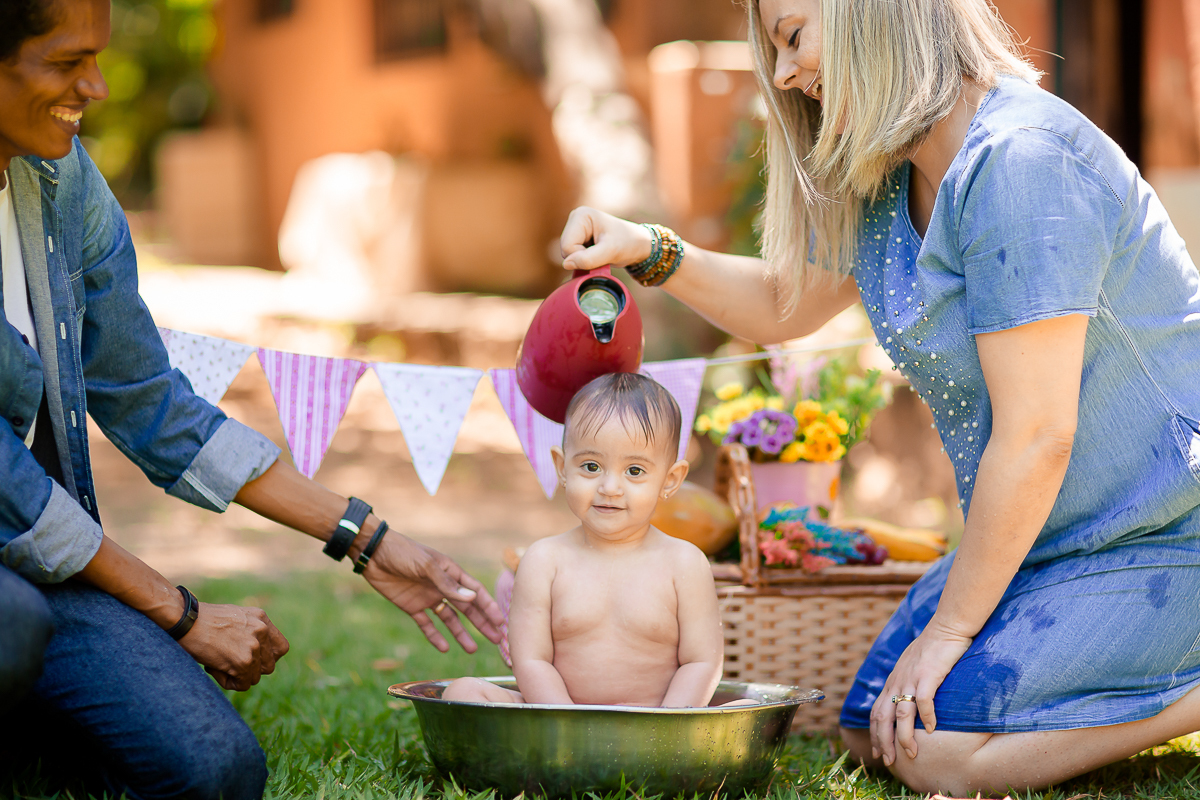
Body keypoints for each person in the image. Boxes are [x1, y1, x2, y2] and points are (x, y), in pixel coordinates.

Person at [558, 0, 1200, 794]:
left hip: (1171, 526)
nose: (786, 73)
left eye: (793, 37)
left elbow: (1038, 435)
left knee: (935, 750)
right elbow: (781, 305)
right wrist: (648, 249)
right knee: (870, 723)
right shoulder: (889, 176)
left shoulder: (1023, 158)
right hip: (1057, 537)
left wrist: (949, 634)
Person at [0, 2, 504, 798]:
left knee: (217, 770)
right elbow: (13, 492)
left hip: (45, 573)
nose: (94, 87)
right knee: (13, 629)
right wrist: (183, 616)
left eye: (97, 59)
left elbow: (148, 399)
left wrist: (366, 536)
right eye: (66, 64)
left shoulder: (63, 182)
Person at [444, 372, 725, 707]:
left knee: (741, 713)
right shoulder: (545, 561)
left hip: (655, 724)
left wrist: (667, 729)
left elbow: (702, 662)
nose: (609, 487)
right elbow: (531, 661)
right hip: (558, 719)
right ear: (562, 468)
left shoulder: (684, 563)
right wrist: (567, 726)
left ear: (670, 480)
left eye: (634, 471)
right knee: (462, 692)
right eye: (591, 466)